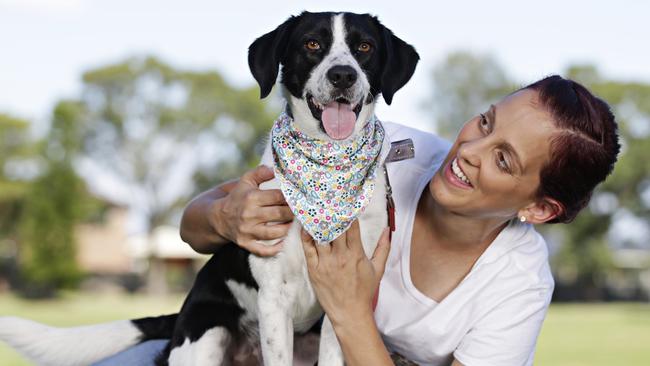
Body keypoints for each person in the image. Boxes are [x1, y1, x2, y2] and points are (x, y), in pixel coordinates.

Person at [94, 75, 620, 366]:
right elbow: (197, 226)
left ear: (539, 209)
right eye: (485, 121)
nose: (470, 149)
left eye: (504, 159)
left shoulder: (518, 285)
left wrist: (348, 311)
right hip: (250, 337)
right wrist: (225, 216)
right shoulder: (384, 150)